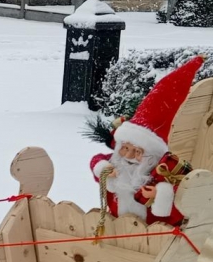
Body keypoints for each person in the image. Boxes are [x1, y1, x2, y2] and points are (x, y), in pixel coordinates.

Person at [86, 55, 204, 227]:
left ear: (151, 154)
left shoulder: (162, 171)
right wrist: (103, 169)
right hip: (117, 227)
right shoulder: (117, 163)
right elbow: (97, 160)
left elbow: (187, 193)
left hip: (155, 233)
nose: (129, 156)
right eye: (125, 148)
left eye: (138, 152)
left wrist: (160, 193)